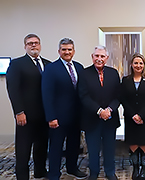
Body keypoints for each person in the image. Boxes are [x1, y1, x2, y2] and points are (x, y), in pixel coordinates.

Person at [42, 38, 87, 180]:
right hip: (58, 117)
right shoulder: (51, 69)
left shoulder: (79, 67)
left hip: (76, 116)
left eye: (69, 49)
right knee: (56, 147)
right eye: (64, 49)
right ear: (59, 51)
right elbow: (47, 94)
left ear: (73, 51)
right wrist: (50, 117)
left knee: (74, 144)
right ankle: (54, 173)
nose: (67, 52)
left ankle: (72, 168)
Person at [6, 34, 50, 180]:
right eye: (30, 43)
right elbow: (13, 89)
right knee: (24, 149)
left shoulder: (48, 64)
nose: (33, 45)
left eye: (36, 43)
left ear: (40, 45)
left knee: (42, 146)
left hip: (44, 115)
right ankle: (22, 176)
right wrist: (19, 111)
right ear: (25, 46)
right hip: (26, 115)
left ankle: (40, 171)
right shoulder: (17, 64)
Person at [78, 45, 120, 180]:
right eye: (97, 56)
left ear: (107, 58)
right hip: (91, 119)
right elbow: (83, 96)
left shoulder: (113, 73)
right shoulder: (84, 73)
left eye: (102, 56)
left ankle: (110, 172)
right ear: (92, 57)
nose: (99, 59)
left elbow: (118, 96)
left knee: (109, 148)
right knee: (93, 149)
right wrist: (99, 111)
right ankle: (94, 172)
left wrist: (109, 110)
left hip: (110, 118)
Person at [121, 53, 145, 180]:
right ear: (131, 64)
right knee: (133, 143)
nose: (138, 65)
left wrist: (141, 115)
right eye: (136, 63)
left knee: (144, 143)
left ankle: (144, 170)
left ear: (144, 65)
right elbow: (123, 99)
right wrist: (133, 115)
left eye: (141, 63)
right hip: (130, 118)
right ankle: (135, 169)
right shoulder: (125, 80)